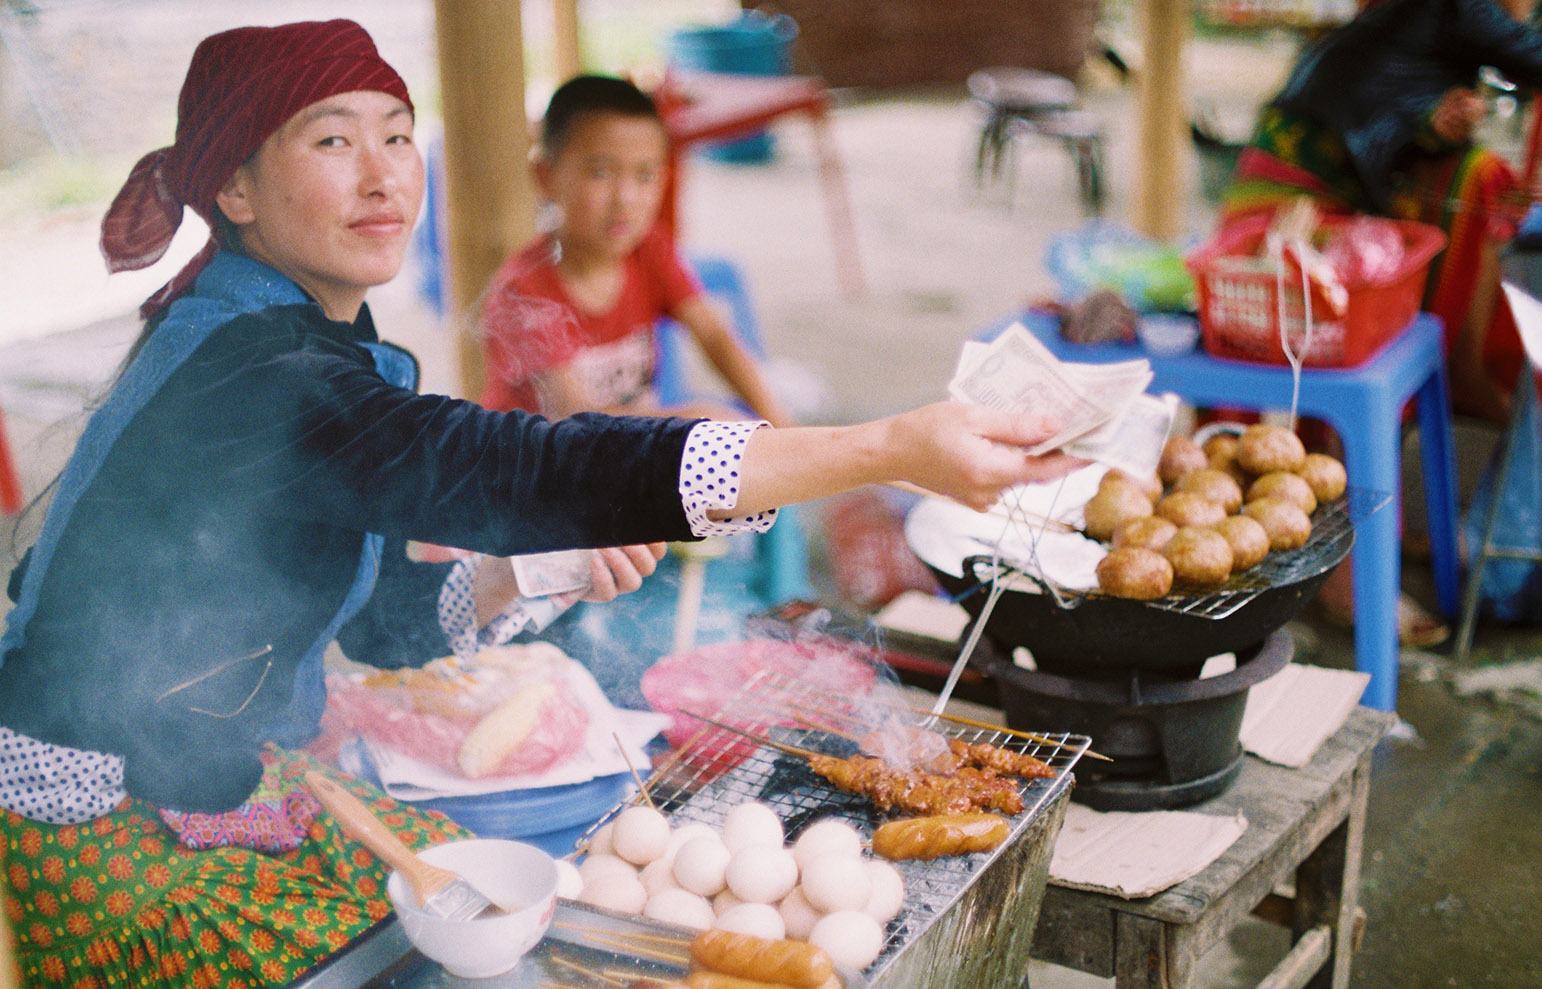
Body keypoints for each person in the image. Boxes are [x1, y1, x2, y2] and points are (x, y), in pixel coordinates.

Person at [0, 21, 1081, 987]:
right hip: (99, 810)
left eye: (395, 132)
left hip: (217, 762)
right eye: (330, 141)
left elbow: (373, 623)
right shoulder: (256, 374)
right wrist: (884, 446)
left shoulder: (300, 341)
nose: (383, 176)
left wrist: (532, 567)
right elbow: (523, 465)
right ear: (233, 190)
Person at [1222, 0, 1542, 424]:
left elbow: (1384, 108)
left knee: (1279, 343)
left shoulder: (1411, 14)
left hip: (1281, 170)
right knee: (1483, 176)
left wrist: (1434, 127)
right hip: (1292, 191)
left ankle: (1434, 389)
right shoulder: (1465, 8)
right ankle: (1462, 374)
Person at [478, 74, 793, 426]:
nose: (625, 199)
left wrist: (785, 430)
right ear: (545, 176)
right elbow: (577, 420)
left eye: (645, 176)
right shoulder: (523, 291)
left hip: (625, 453)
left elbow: (715, 338)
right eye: (600, 173)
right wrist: (695, 422)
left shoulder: (648, 250)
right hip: (536, 472)